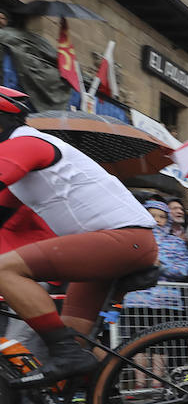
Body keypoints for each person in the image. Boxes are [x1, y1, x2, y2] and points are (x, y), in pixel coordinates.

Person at [0, 85, 158, 386]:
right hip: (106, 247)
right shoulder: (20, 155)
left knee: (4, 269)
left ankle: (65, 353)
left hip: (123, 241)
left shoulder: (25, 144)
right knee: (76, 346)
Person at [121, 199, 188, 333]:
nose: (157, 220)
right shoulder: (133, 239)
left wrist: (161, 266)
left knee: (162, 348)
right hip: (137, 299)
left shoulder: (177, 242)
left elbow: (184, 269)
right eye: (152, 215)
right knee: (136, 346)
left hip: (168, 301)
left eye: (162, 216)